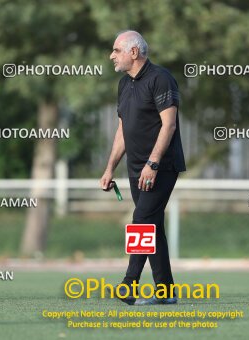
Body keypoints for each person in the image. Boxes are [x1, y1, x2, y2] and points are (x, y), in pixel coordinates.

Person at [100, 30, 186, 305]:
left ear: (133, 52)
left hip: (159, 168)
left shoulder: (161, 79)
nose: (112, 55)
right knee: (152, 226)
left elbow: (169, 125)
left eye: (116, 50)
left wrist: (153, 163)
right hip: (135, 169)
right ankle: (165, 292)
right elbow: (123, 130)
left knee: (141, 221)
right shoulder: (124, 85)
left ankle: (129, 284)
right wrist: (110, 167)